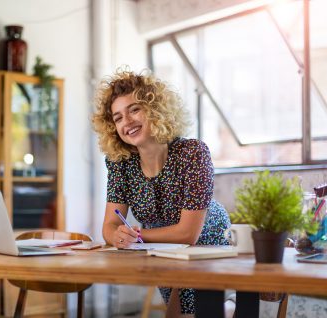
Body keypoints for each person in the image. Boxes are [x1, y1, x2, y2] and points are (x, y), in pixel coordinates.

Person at [91, 68, 234, 318]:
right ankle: (228, 308)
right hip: (159, 249)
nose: (127, 122)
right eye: (118, 117)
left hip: (205, 242)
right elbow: (109, 225)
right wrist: (118, 236)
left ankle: (230, 305)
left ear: (155, 109)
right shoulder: (119, 162)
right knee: (180, 313)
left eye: (135, 109)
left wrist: (136, 236)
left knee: (188, 313)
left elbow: (188, 233)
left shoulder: (193, 153)